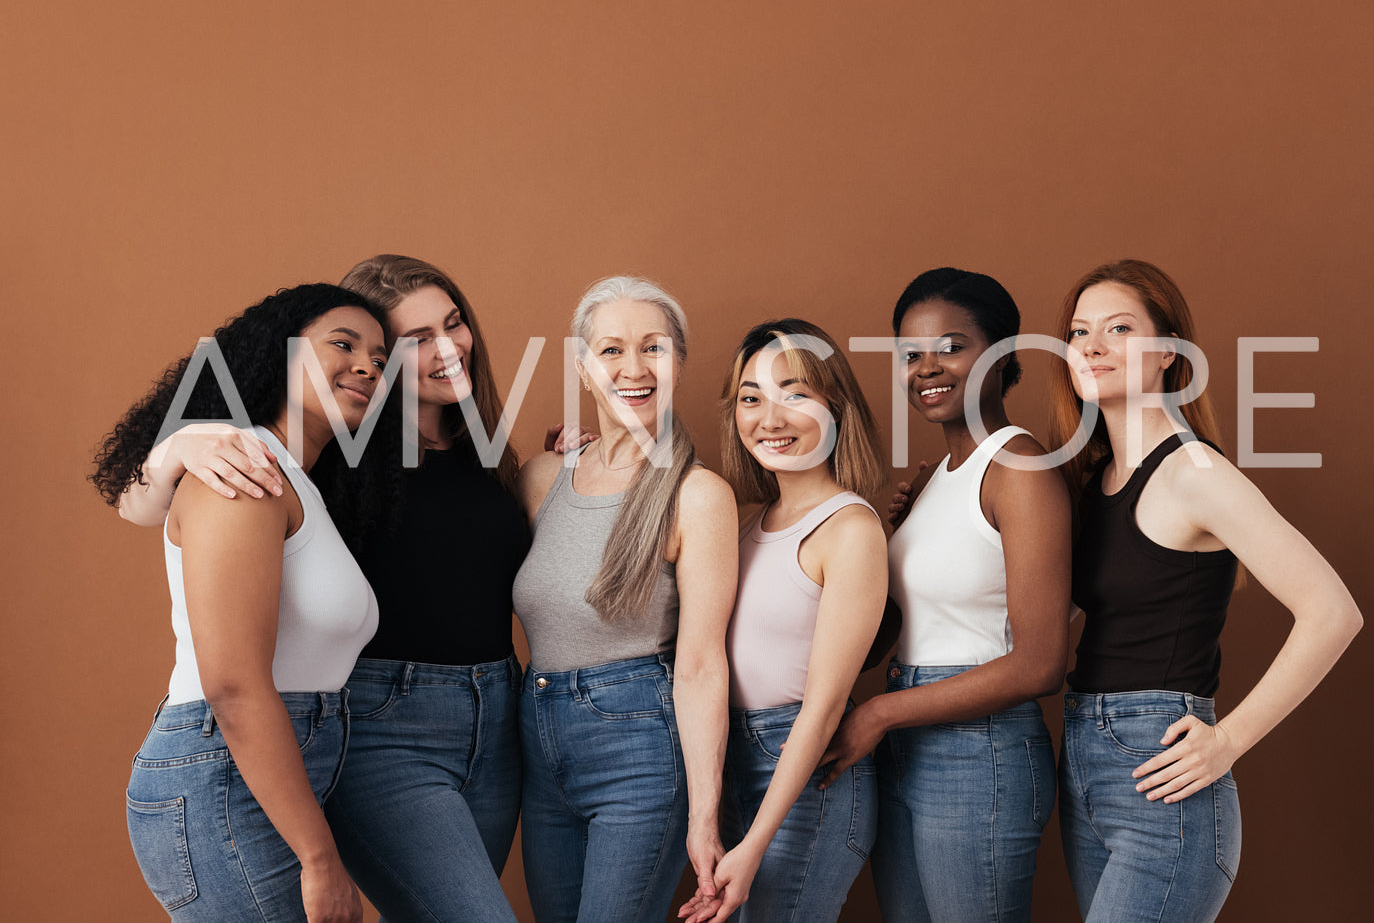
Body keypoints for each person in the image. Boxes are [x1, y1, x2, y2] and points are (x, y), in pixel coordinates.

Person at [116, 256, 534, 921]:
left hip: (486, 716)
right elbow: (145, 509)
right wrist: (181, 447)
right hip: (352, 731)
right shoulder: (290, 460)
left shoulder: (472, 458)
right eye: (413, 340)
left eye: (452, 323)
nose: (444, 346)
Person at [1047, 259, 1362, 921]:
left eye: (1118, 328)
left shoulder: (1194, 473)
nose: (1092, 346)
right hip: (1083, 763)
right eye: (1078, 332)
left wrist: (1227, 741)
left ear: (1167, 352)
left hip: (1160, 770)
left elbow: (1332, 612)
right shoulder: (1095, 479)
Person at [91, 283, 390, 922]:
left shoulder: (297, 478)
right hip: (226, 777)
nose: (369, 366)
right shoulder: (242, 467)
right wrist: (319, 858)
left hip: (270, 773)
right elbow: (232, 683)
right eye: (344, 344)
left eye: (381, 358)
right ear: (276, 356)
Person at [820, 267, 1072, 922]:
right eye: (910, 354)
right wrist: (888, 535)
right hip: (908, 739)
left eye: (951, 347)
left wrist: (877, 716)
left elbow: (1040, 664)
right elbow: (885, 636)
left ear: (1000, 355)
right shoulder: (935, 479)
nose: (926, 367)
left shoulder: (1017, 468)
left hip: (976, 753)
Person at [512, 276, 738, 923]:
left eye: (654, 349)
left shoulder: (698, 496)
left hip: (638, 745)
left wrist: (703, 816)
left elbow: (699, 666)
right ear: (583, 369)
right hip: (537, 732)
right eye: (610, 350)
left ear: (679, 364)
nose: (633, 368)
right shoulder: (541, 479)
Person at [679, 319, 887, 923]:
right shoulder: (741, 521)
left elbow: (824, 706)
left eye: (795, 394)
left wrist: (756, 844)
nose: (769, 419)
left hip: (803, 778)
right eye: (751, 398)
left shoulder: (851, 529)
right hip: (730, 759)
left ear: (835, 408)